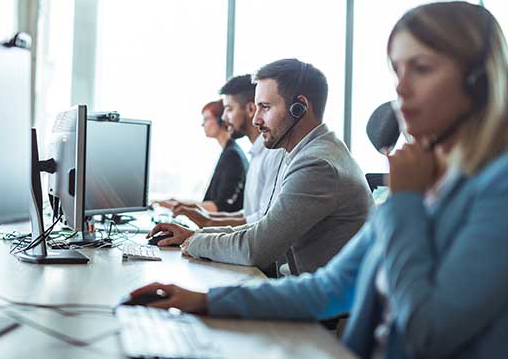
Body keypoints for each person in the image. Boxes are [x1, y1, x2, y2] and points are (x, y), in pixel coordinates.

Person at [129, 2, 508, 358]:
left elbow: (428, 335)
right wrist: (203, 301)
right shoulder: (427, 182)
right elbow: (329, 288)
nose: (401, 89)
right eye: (397, 71)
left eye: (421, 69)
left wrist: (405, 203)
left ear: (479, 83)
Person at [148, 59, 372, 276]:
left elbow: (256, 248)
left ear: (299, 108)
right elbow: (262, 228)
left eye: (264, 107)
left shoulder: (317, 164)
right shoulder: (309, 152)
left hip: (322, 308)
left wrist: (196, 241)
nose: (255, 120)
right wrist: (198, 234)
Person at [171, 74, 284, 228]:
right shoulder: (256, 154)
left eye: (229, 109)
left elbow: (262, 221)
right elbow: (248, 215)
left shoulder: (273, 154)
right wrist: (202, 215)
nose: (223, 117)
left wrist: (205, 224)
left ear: (251, 109)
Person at [158, 100, 248, 213]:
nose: (202, 124)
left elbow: (221, 206)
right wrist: (178, 203)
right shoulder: (228, 151)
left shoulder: (232, 155)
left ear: (221, 120)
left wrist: (178, 206)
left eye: (206, 119)